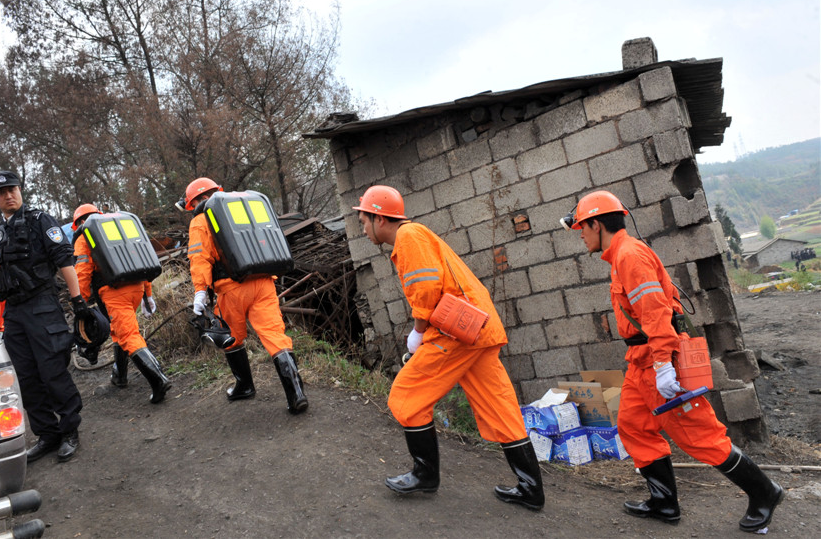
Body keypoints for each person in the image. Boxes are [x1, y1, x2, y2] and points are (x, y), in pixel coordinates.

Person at [564, 190, 783, 532]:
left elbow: (656, 315)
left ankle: (765, 492)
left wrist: (665, 366)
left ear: (596, 223)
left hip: (658, 359)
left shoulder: (629, 256)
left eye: (582, 227)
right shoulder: (621, 254)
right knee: (634, 426)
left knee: (700, 437)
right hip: (642, 361)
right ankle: (664, 503)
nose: (580, 234)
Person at [353, 185, 544, 510]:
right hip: (477, 329)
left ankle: (425, 475)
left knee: (406, 396)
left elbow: (426, 289)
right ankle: (531, 488)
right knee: (500, 407)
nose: (362, 229)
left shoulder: (408, 236)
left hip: (457, 332)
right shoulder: (415, 234)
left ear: (379, 217)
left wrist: (417, 332)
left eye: (363, 221)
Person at [0, 171, 86, 463]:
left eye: (12, 189)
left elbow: (63, 258)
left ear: (20, 190)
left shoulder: (40, 219)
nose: (8, 195)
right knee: (26, 376)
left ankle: (69, 430)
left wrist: (78, 301)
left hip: (42, 304)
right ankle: (47, 434)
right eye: (1, 192)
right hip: (14, 312)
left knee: (52, 369)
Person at [184, 177, 308, 414]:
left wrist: (200, 291)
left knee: (230, 336)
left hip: (233, 287)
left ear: (195, 202)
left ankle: (245, 386)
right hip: (263, 282)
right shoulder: (242, 207)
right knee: (275, 336)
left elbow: (200, 258)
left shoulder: (201, 220)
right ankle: (296, 394)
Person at [71, 203, 170, 404]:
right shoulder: (118, 228)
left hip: (114, 292)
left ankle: (158, 379)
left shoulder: (85, 235)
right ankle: (120, 376)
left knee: (128, 335)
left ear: (79, 222)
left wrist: (80, 300)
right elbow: (141, 259)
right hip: (137, 289)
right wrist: (147, 295)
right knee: (119, 330)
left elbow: (82, 270)